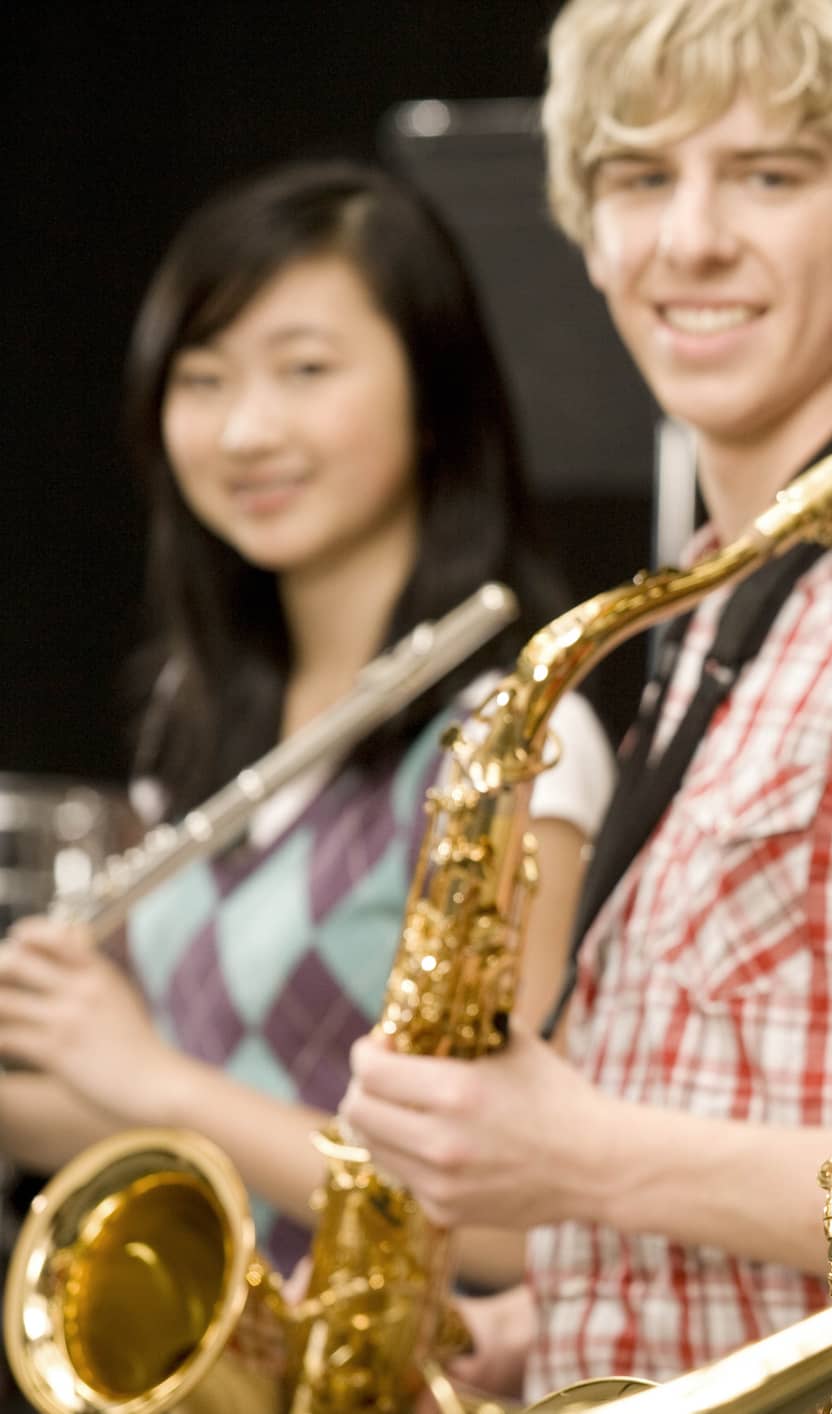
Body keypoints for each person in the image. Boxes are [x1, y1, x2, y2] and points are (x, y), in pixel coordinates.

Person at [336, 0, 832, 1397]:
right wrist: (532, 1328)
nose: (687, 239)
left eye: (768, 175)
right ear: (586, 226)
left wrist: (575, 1155)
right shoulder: (711, 598)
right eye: (640, 176)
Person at [0, 161, 614, 1278]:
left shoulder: (515, 738)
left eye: (305, 370)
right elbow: (186, 1121)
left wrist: (145, 1076)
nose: (245, 430)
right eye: (203, 378)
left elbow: (520, 1225)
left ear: (434, 396)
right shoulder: (195, 709)